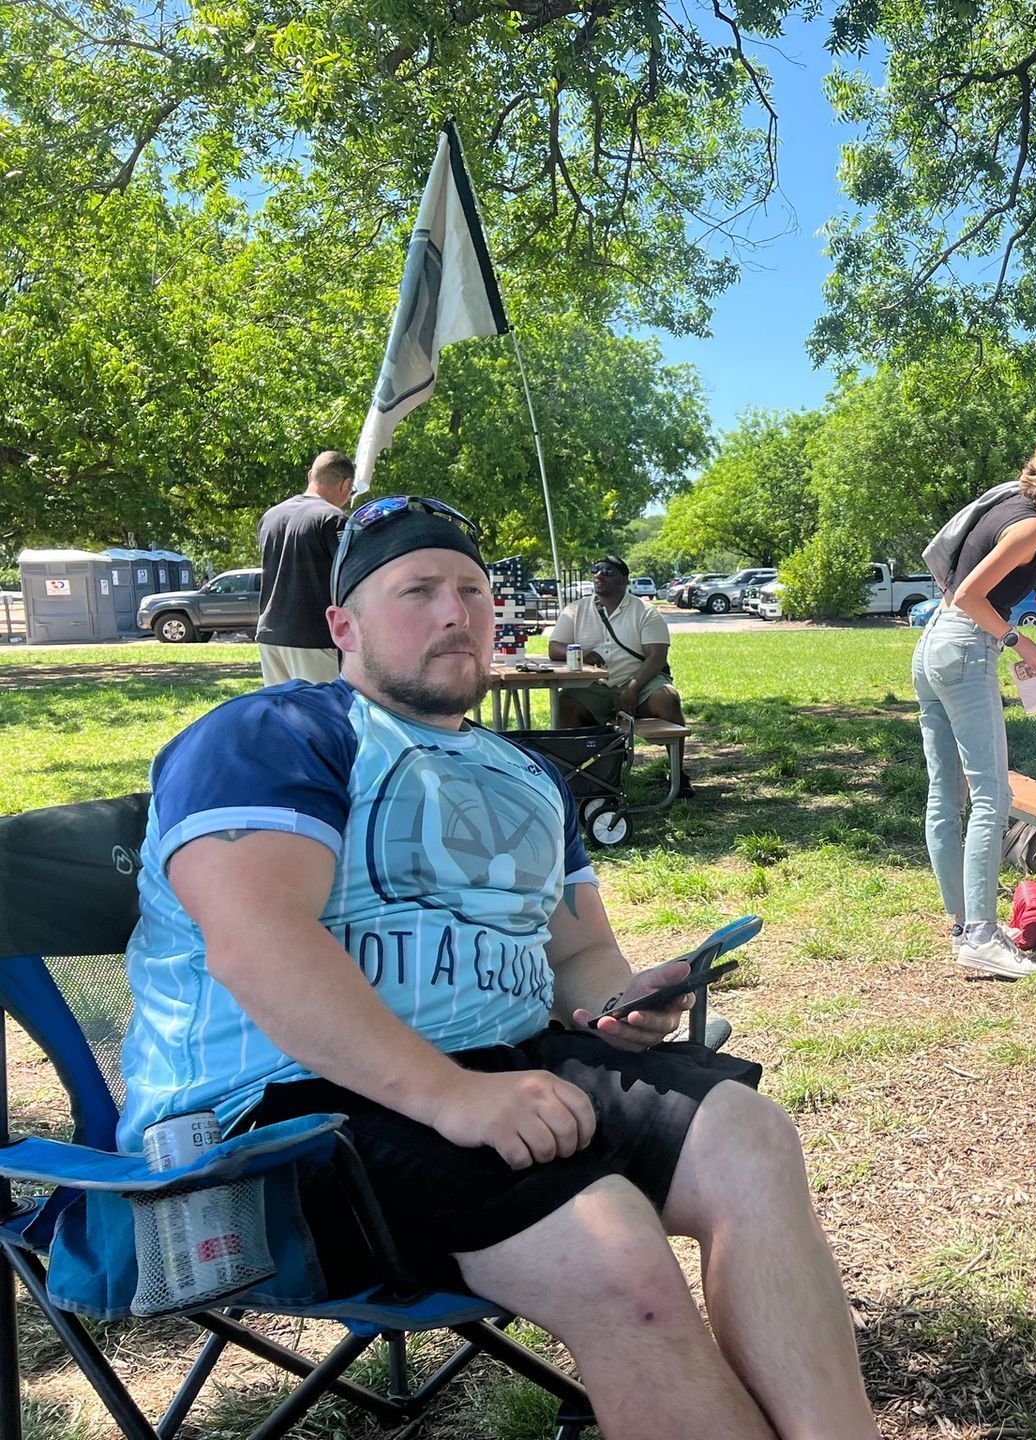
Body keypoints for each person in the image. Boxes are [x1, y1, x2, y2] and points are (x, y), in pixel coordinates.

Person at [116, 498, 880, 1440]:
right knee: (613, 1250)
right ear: (343, 627)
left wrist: (620, 1002)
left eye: (473, 592)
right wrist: (451, 1095)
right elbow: (256, 940)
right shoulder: (272, 734)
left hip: (504, 1073)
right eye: (418, 591)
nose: (456, 613)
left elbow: (579, 953)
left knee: (750, 1138)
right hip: (284, 1113)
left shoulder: (530, 776)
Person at [914, 428, 1036, 980]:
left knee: (945, 795)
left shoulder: (1019, 513)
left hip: (932, 646)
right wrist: (1018, 641)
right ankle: (980, 935)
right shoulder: (1029, 526)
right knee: (991, 796)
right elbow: (971, 595)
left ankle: (964, 924)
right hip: (965, 647)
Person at [548, 555, 696, 798]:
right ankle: (582, 775)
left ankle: (677, 773)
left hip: (641, 681)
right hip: (593, 685)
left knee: (668, 698)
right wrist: (582, 654)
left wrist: (633, 688)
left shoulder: (645, 612)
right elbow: (555, 647)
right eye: (596, 569)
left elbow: (657, 656)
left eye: (608, 571)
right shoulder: (575, 610)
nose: (600, 575)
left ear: (624, 579)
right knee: (565, 704)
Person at [256, 450, 355, 686]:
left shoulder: (270, 517)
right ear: (345, 484)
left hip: (270, 634)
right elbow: (351, 574)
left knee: (282, 706)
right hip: (313, 636)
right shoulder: (333, 519)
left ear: (311, 475)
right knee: (323, 705)